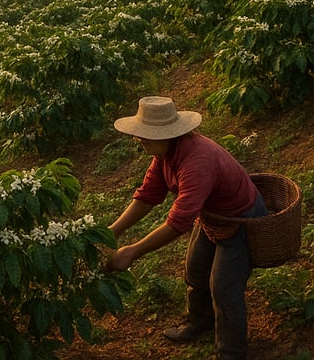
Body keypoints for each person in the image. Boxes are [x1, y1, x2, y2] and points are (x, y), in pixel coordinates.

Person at [104, 96, 267, 360]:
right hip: (211, 216)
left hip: (240, 220)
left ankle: (231, 353)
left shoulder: (197, 162)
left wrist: (132, 251)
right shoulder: (166, 155)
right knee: (196, 271)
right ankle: (199, 322)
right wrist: (112, 230)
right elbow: (148, 195)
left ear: (168, 134)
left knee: (224, 288)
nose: (138, 139)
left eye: (145, 134)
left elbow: (178, 222)